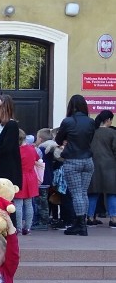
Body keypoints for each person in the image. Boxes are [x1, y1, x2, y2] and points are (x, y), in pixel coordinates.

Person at [56, 95, 97, 236]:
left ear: (71, 106)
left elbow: (58, 139)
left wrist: (67, 140)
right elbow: (90, 139)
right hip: (88, 160)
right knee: (83, 192)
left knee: (76, 194)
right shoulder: (91, 122)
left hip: (72, 160)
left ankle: (80, 225)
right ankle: (81, 222)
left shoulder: (68, 121)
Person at [0, 94, 23, 225]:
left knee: (7, 201)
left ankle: (11, 228)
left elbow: (7, 148)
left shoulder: (12, 125)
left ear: (3, 108)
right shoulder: (0, 126)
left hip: (7, 169)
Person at [87, 110, 116, 228]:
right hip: (110, 166)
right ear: (108, 120)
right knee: (112, 193)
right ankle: (113, 219)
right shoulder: (112, 133)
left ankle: (89, 218)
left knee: (93, 193)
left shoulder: (93, 132)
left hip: (93, 165)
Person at [16, 129, 41, 235]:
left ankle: (18, 227)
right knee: (29, 204)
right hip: (31, 177)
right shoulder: (31, 148)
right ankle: (28, 227)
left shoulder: (16, 151)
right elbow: (38, 158)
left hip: (19, 177)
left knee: (18, 204)